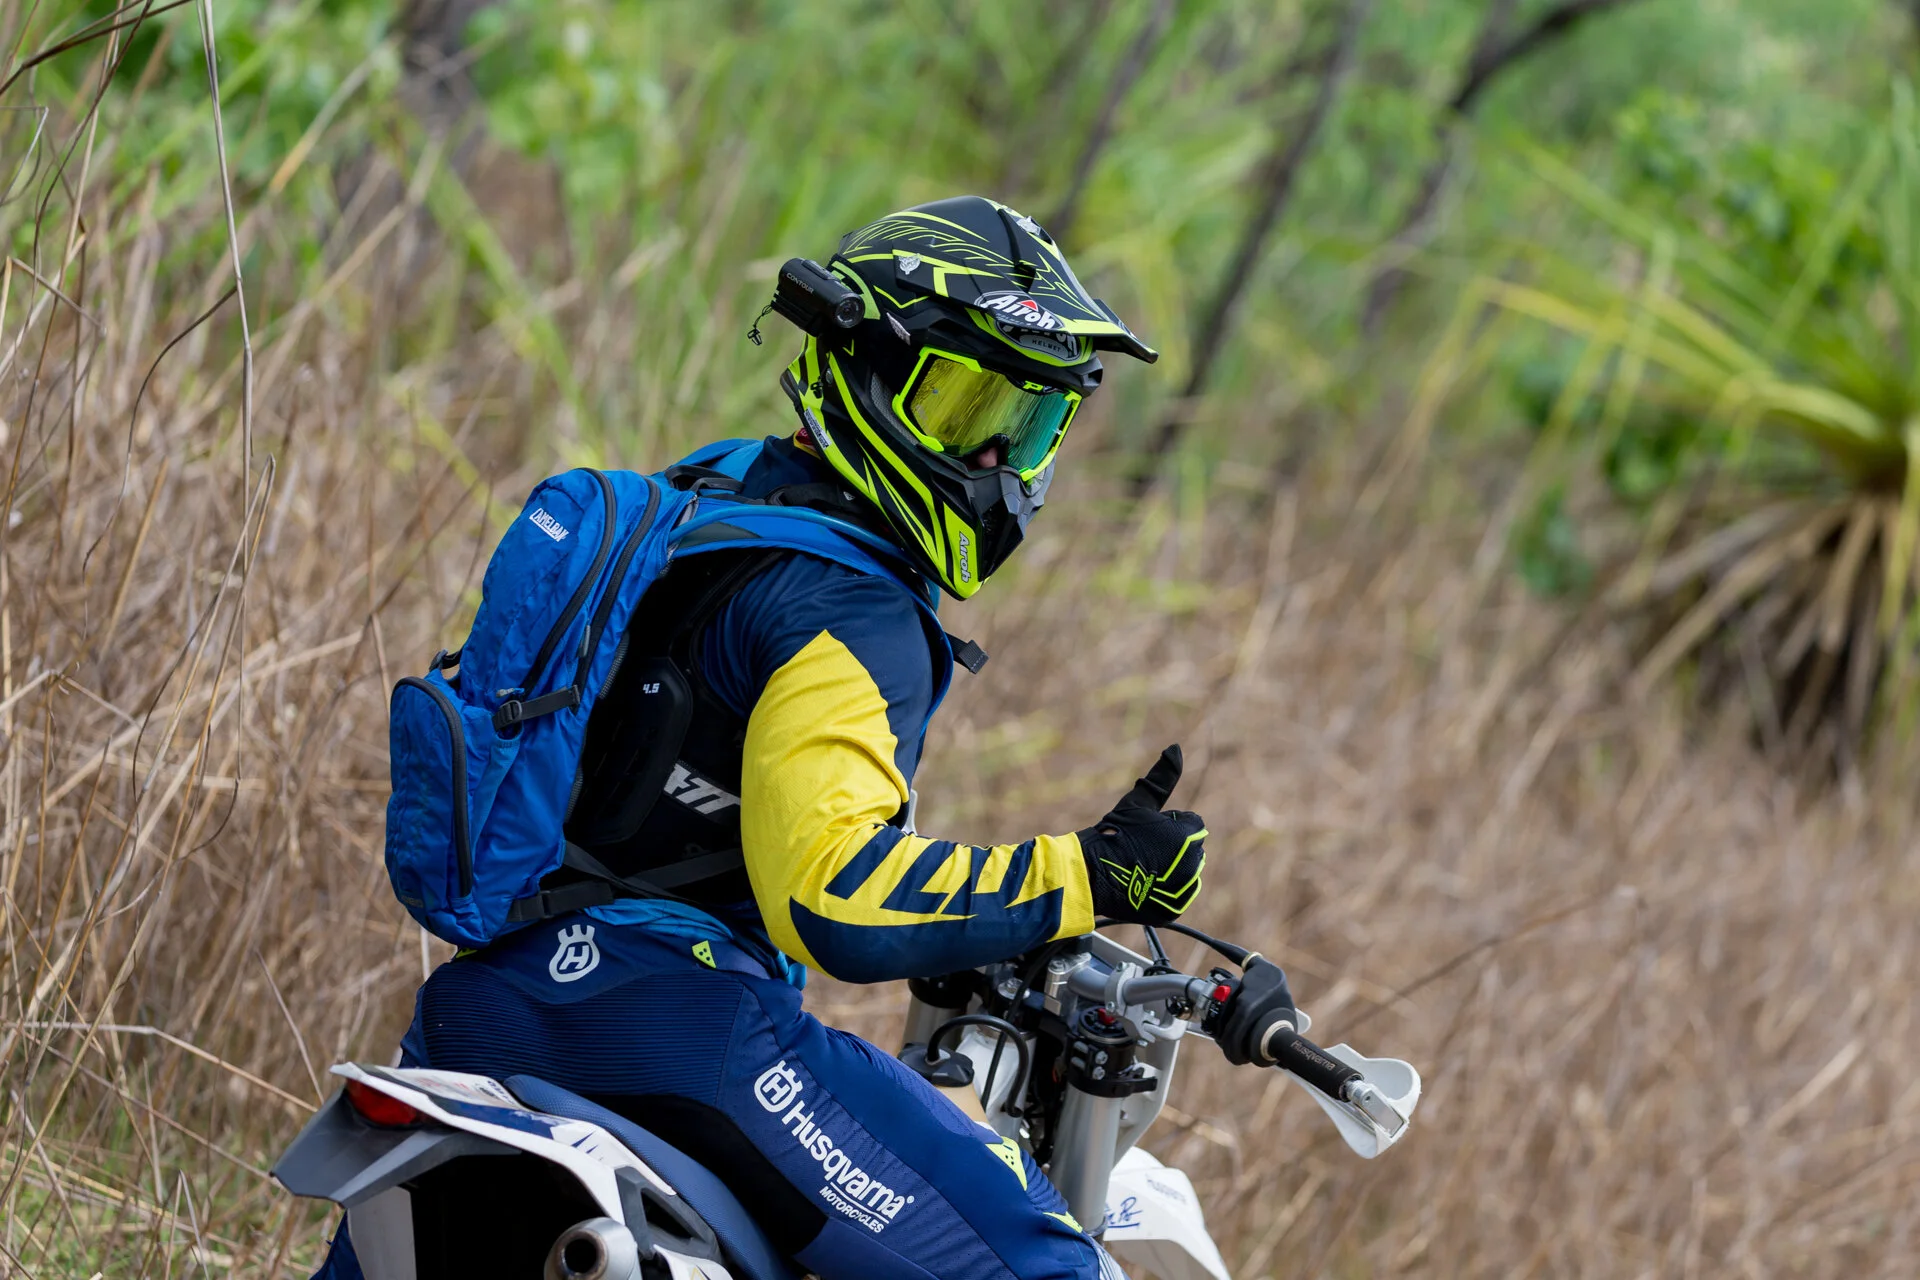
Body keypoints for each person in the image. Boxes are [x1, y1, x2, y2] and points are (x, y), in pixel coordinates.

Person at [321, 196, 1240, 1280]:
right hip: (682, 1037)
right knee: (1044, 1263)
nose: (994, 454)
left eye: (1029, 423)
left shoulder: (693, 512)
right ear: (862, 365)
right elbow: (836, 897)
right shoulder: (852, 607)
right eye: (960, 402)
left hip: (486, 1010)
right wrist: (1087, 872)